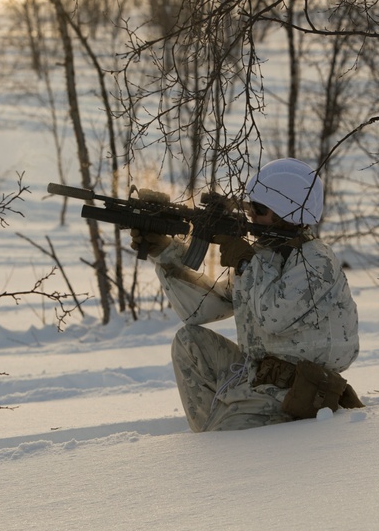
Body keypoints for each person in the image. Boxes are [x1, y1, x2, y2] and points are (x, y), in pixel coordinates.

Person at [132, 158, 361, 431]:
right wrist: (166, 253)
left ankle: (219, 435)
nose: (251, 214)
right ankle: (214, 428)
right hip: (259, 376)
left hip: (298, 391)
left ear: (287, 213)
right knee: (189, 341)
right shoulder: (267, 255)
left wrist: (245, 262)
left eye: (259, 209)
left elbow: (274, 317)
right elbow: (205, 309)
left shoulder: (315, 261)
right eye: (250, 205)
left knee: (223, 441)